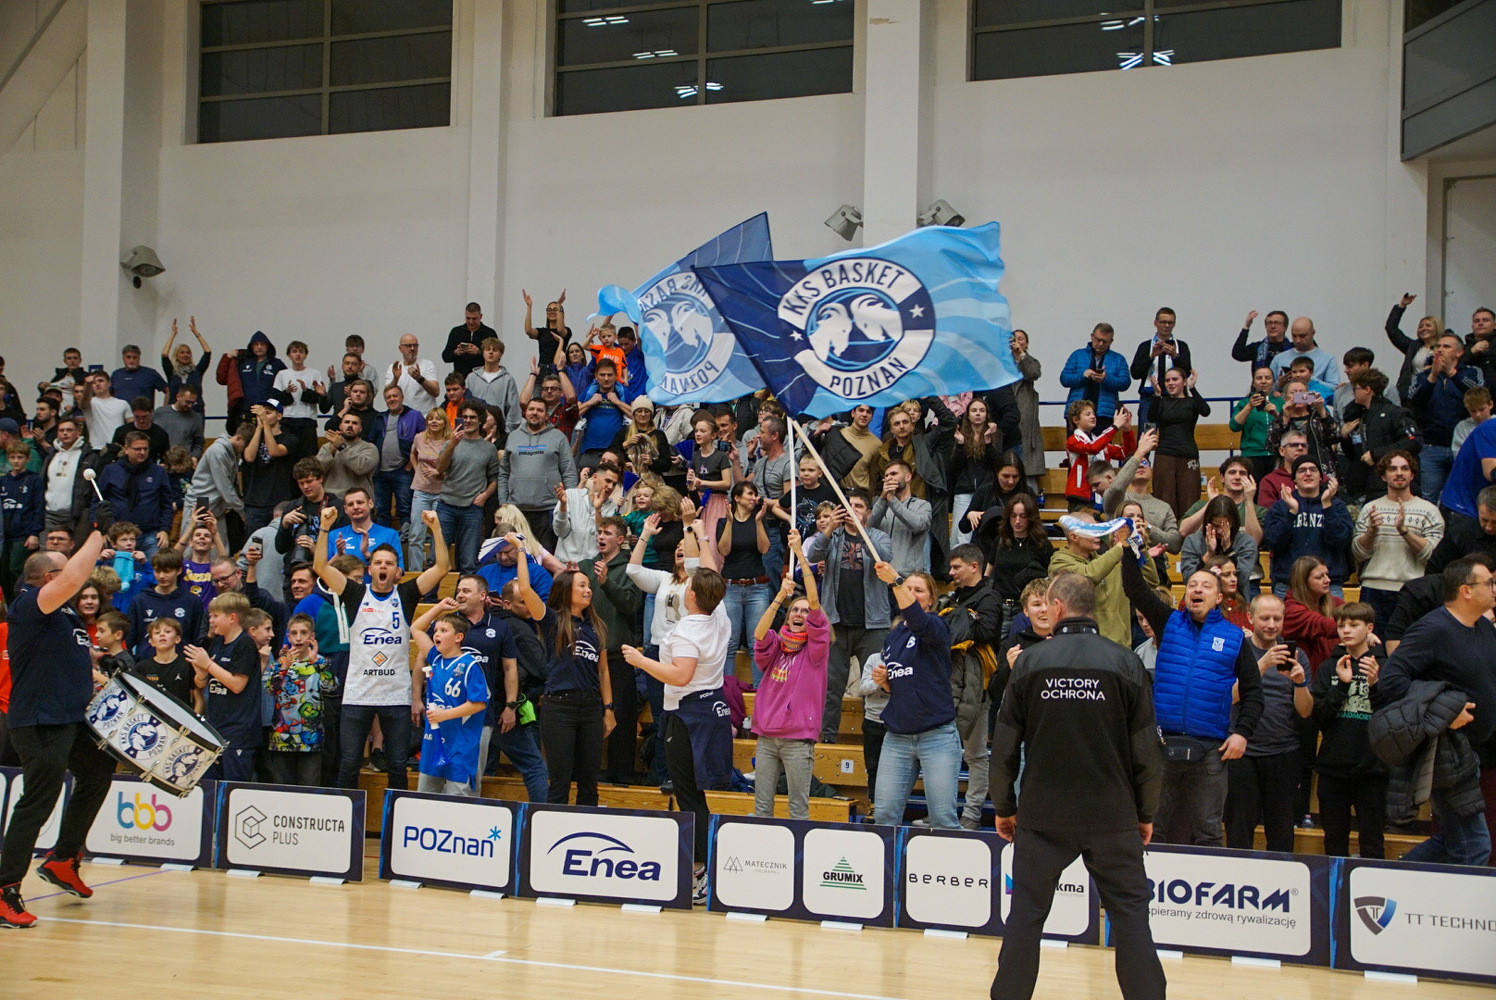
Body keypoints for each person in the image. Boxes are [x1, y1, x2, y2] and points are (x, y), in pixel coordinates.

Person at [988, 572, 1165, 1000]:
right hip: (1113, 815)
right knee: (1131, 919)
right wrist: (1145, 813)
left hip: (1042, 815)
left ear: (1058, 607)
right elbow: (1147, 752)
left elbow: (1004, 746)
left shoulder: (1030, 662)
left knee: (1025, 918)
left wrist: (1004, 807)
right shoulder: (1126, 662)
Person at [0, 512, 116, 929]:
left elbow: (69, 659)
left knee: (98, 769)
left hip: (68, 717)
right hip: (39, 720)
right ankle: (4, 887)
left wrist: (99, 672)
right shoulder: (29, 605)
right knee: (38, 801)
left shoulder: (64, 616)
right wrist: (98, 533)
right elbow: (72, 579)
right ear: (48, 578)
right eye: (65, 572)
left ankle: (63, 858)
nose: (76, 579)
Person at [1120, 548, 1263, 847]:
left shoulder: (1235, 638)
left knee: (1209, 833)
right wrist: (1130, 551)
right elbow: (1134, 588)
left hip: (1211, 750)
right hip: (1161, 745)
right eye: (1192, 585)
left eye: (1205, 586)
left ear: (1219, 598)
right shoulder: (1167, 622)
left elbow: (1253, 692)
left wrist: (1242, 734)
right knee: (1151, 828)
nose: (1197, 589)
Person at [315, 508, 449, 791]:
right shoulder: (355, 593)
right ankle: (348, 815)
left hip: (395, 696)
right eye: (378, 562)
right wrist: (325, 527)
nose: (383, 567)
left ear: (397, 571)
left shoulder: (406, 594)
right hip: (358, 694)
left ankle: (395, 816)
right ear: (370, 569)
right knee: (349, 763)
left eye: (389, 563)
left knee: (397, 765)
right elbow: (321, 567)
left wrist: (436, 529)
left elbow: (442, 568)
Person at [622, 567, 732, 904]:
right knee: (695, 794)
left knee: (689, 795)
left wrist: (640, 661)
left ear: (691, 595)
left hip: (687, 715)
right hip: (712, 709)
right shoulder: (720, 617)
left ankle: (700, 873)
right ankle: (704, 867)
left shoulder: (686, 631)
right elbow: (710, 572)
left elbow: (681, 675)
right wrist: (700, 538)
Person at [1378, 555, 1496, 866]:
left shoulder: (1484, 628)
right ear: (1466, 590)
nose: (1494, 588)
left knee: (1453, 840)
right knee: (1475, 846)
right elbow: (1391, 680)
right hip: (1445, 750)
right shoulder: (1432, 629)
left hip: (1475, 750)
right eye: (1489, 583)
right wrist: (1444, 713)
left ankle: (1393, 878)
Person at [869, 563, 960, 829]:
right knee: (884, 817)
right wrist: (885, 682)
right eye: (908, 588)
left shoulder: (937, 625)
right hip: (897, 736)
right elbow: (902, 683)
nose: (911, 593)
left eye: (918, 590)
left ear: (931, 599)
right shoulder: (895, 636)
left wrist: (896, 581)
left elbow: (918, 620)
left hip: (936, 735)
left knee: (943, 819)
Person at [1222, 594, 1312, 853]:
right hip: (1242, 753)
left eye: (1277, 618)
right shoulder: (1237, 650)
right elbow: (1226, 698)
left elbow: (1305, 712)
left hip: (1284, 752)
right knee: (1239, 830)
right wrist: (1261, 666)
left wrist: (1300, 684)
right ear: (1250, 618)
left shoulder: (1297, 655)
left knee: (1282, 832)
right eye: (1265, 618)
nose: (1272, 624)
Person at [805, 490, 894, 743]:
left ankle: (874, 738)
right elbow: (813, 556)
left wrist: (862, 532)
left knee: (873, 685)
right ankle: (828, 738)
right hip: (836, 624)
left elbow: (884, 557)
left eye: (858, 506)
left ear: (868, 512)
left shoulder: (879, 536)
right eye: (848, 506)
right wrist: (829, 528)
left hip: (872, 624)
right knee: (832, 687)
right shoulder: (832, 536)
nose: (852, 510)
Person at [750, 530, 827, 820]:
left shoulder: (816, 650)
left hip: (798, 738)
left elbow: (815, 603)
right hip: (767, 736)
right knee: (762, 810)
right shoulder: (776, 644)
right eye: (795, 610)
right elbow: (759, 634)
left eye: (804, 612)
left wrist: (801, 558)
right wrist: (781, 596)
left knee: (797, 811)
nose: (799, 614)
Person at [1303, 602, 1389, 858]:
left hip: (1373, 769)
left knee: (1372, 842)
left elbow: (1391, 719)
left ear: (1370, 628)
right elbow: (1320, 718)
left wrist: (1374, 686)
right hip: (1333, 768)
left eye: (1353, 625)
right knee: (1334, 841)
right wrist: (1341, 686)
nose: (1346, 631)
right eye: (1341, 626)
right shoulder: (1329, 667)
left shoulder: (1384, 665)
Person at [943, 543, 1003, 829]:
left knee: (975, 754)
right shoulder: (956, 597)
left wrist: (958, 622)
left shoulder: (989, 597)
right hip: (949, 680)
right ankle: (943, 811)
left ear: (974, 566)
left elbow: (985, 631)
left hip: (977, 686)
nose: (951, 572)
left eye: (957, 567)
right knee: (943, 752)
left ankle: (972, 813)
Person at [1352, 450, 1442, 630]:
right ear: (1383, 476)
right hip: (1373, 589)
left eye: (1404, 468)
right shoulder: (1370, 508)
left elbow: (1432, 555)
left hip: (1413, 590)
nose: (1399, 473)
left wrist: (1404, 531)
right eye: (1392, 469)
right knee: (1373, 643)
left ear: (1412, 474)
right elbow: (1358, 554)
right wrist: (1371, 531)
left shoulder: (1429, 511)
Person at [410, 598, 489, 796]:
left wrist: (445, 715)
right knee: (425, 798)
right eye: (436, 630)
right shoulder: (435, 658)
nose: (436, 634)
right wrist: (439, 608)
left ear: (458, 637)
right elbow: (416, 629)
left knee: (457, 801)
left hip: (459, 745)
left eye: (443, 631)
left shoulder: (469, 665)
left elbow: (478, 703)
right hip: (434, 742)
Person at [184, 592, 262, 782]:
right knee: (211, 786)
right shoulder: (218, 642)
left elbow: (237, 685)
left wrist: (208, 664)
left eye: (215, 616)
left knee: (233, 787)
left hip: (238, 731)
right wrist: (201, 672)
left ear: (232, 618)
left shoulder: (245, 644)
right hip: (216, 726)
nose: (210, 621)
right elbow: (203, 684)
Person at [1407, 332, 1484, 502]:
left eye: (1446, 346)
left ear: (1459, 352)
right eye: (1437, 346)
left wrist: (1451, 372)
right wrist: (1432, 377)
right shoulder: (1421, 376)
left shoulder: (1472, 372)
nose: (1440, 350)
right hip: (1431, 447)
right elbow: (1414, 399)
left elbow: (1478, 393)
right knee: (1428, 497)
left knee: (1464, 496)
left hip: (1464, 445)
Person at [1262, 456, 1353, 598]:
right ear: (1294, 479)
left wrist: (1327, 506)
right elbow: (1273, 542)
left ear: (1321, 477)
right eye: (1302, 470)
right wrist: (1292, 512)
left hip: (1328, 584)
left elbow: (1340, 540)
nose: (1308, 473)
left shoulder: (1336, 505)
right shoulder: (1281, 507)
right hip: (1289, 585)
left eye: (1313, 470)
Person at [262, 612, 335, 787]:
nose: (299, 637)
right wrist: (283, 668)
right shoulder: (280, 663)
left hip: (311, 738)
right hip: (282, 738)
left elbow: (331, 687)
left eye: (303, 633)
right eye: (294, 633)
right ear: (288, 637)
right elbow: (270, 689)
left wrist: (317, 664)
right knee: (283, 788)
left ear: (312, 636)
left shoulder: (320, 662)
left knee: (309, 788)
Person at [498, 396, 578, 553]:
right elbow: (503, 473)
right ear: (525, 413)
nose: (535, 413)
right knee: (518, 554)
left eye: (540, 410)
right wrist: (503, 502)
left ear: (546, 415)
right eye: (531, 409)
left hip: (548, 509)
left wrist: (569, 503)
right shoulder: (513, 437)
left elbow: (569, 472)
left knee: (546, 555)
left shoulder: (558, 437)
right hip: (516, 510)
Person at [95, 431, 175, 558]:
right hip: (117, 535)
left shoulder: (158, 472)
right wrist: (102, 530)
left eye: (145, 449)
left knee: (154, 567)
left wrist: (164, 529)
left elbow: (166, 504)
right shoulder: (111, 470)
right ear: (126, 449)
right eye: (138, 449)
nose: (142, 452)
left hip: (149, 534)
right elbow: (98, 502)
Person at [1148, 367, 1210, 518]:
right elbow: (1151, 417)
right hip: (1165, 455)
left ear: (1184, 382)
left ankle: (1186, 532)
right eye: (1167, 380)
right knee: (1164, 500)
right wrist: (1157, 395)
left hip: (1188, 455)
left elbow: (1206, 411)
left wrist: (1193, 388)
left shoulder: (1191, 402)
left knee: (1189, 500)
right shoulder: (1162, 401)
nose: (1170, 383)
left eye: (1175, 379)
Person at [126, 548, 203, 657]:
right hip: (146, 662)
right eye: (157, 571)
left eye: (167, 571)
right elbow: (129, 638)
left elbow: (196, 638)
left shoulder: (192, 601)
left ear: (178, 570)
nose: (161, 576)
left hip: (182, 662)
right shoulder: (139, 600)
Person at [1059, 323, 1132, 431]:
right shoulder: (1077, 355)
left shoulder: (1118, 359)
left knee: (1103, 442)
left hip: (1104, 413)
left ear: (1111, 341)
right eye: (1098, 340)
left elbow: (1125, 382)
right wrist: (1082, 376)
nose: (1101, 344)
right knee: (1075, 442)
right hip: (1078, 413)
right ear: (1092, 336)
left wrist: (1106, 379)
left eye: (1105, 341)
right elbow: (1064, 379)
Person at [1129, 307, 1191, 427]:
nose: (1166, 326)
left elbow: (1186, 373)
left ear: (1174, 324)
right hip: (1150, 398)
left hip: (1174, 399)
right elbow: (1135, 373)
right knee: (1148, 433)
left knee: (1173, 433)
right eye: (1163, 322)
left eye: (1170, 322)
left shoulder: (1181, 346)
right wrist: (1151, 356)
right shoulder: (1145, 346)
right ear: (1155, 323)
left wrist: (1175, 356)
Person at [0, 442, 44, 599]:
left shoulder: (34, 480)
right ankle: (9, 604)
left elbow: (38, 507)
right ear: (8, 459)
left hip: (23, 534)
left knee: (15, 569)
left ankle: (20, 600)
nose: (16, 461)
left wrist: (34, 533)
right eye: (12, 457)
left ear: (27, 459)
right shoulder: (3, 481)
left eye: (20, 457)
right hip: (4, 534)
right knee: (3, 572)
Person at [270, 339, 324, 463]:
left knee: (308, 458)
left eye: (301, 351)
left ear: (305, 355)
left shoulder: (314, 373)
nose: (298, 354)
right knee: (287, 458)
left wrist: (305, 390)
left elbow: (317, 398)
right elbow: (276, 399)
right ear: (289, 355)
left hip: (307, 420)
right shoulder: (282, 374)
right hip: (288, 420)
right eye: (294, 351)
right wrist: (287, 392)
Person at [1384, 293, 1442, 401]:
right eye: (1421, 326)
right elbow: (1391, 329)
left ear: (1437, 327)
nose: (1423, 328)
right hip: (1414, 395)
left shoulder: (1445, 347)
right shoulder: (1413, 347)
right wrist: (1401, 306)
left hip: (1437, 393)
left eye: (1428, 325)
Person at [136, 617, 200, 711]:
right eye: (157, 633)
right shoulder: (141, 667)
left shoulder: (187, 664)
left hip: (180, 717)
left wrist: (192, 720)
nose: (162, 634)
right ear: (151, 642)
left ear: (177, 639)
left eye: (167, 631)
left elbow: (199, 700)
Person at [318, 410, 378, 499]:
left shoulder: (369, 448)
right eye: (347, 422)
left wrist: (341, 447)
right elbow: (318, 471)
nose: (350, 425)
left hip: (359, 500)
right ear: (340, 426)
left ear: (360, 429)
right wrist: (331, 451)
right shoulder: (328, 447)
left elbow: (361, 468)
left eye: (355, 423)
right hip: (332, 499)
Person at [465, 336, 521, 431]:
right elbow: (465, 404)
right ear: (483, 352)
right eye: (487, 349)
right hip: (475, 430)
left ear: (501, 354)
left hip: (499, 431)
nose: (491, 352)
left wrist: (506, 431)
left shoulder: (508, 380)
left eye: (495, 350)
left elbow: (513, 409)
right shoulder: (472, 378)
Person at [1269, 317, 1343, 385]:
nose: (1298, 340)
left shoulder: (1328, 359)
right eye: (1294, 336)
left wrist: (1311, 380)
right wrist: (1279, 385)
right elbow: (1267, 388)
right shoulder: (1279, 359)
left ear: (1313, 333)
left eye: (1302, 336)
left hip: (1317, 394)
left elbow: (1334, 388)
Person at [385, 335, 440, 414]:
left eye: (415, 345)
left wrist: (419, 378)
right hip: (403, 416)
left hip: (426, 415)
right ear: (400, 348)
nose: (412, 348)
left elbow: (436, 392)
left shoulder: (427, 364)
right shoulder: (393, 368)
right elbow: (387, 394)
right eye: (408, 346)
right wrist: (396, 379)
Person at [443, 302, 497, 379]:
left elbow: (496, 358)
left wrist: (479, 352)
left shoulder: (489, 333)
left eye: (474, 319)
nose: (471, 322)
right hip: (460, 379)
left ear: (480, 316)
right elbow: (445, 357)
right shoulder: (456, 332)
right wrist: (456, 352)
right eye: (468, 318)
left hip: (483, 378)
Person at [522, 289, 571, 373]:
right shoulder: (542, 332)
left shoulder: (566, 331)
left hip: (557, 369)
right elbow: (528, 330)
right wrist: (529, 306)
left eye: (555, 310)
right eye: (549, 310)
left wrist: (559, 305)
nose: (552, 312)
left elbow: (560, 330)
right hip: (542, 369)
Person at [153, 386, 206, 461]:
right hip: (161, 460)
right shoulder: (160, 413)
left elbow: (199, 443)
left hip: (183, 461)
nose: (190, 406)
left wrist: (195, 457)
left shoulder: (195, 418)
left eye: (192, 403)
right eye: (187, 402)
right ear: (178, 396)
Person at [110, 344, 169, 409]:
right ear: (123, 359)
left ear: (139, 359)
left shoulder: (150, 373)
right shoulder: (116, 374)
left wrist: (165, 410)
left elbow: (168, 391)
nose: (131, 361)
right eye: (128, 357)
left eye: (134, 357)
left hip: (143, 413)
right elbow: (109, 394)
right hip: (120, 413)